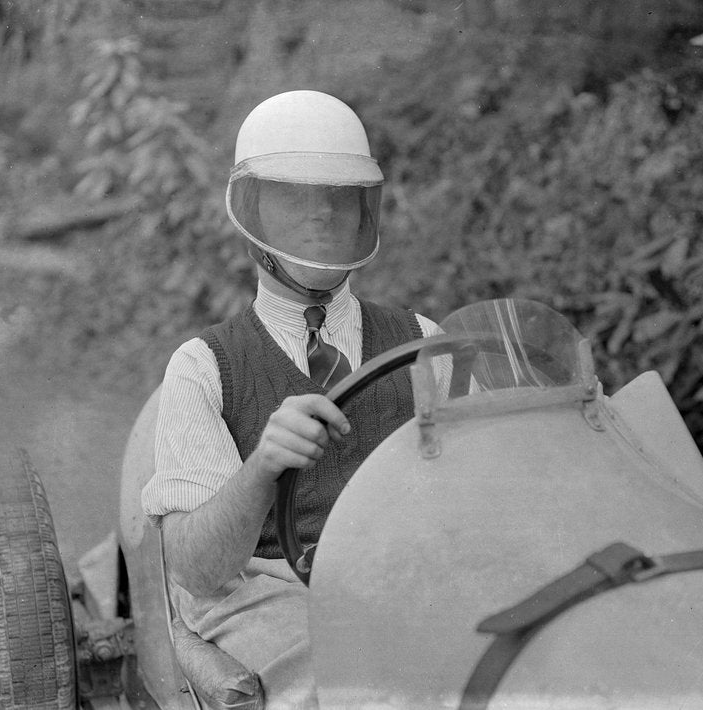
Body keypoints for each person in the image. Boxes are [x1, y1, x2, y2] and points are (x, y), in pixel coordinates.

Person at [141, 90, 441, 708]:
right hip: (268, 590)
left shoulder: (425, 340)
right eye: (292, 196)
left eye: (338, 196)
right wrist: (262, 468)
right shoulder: (202, 368)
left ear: (365, 207)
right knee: (351, 685)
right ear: (250, 210)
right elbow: (200, 572)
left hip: (411, 576)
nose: (320, 216)